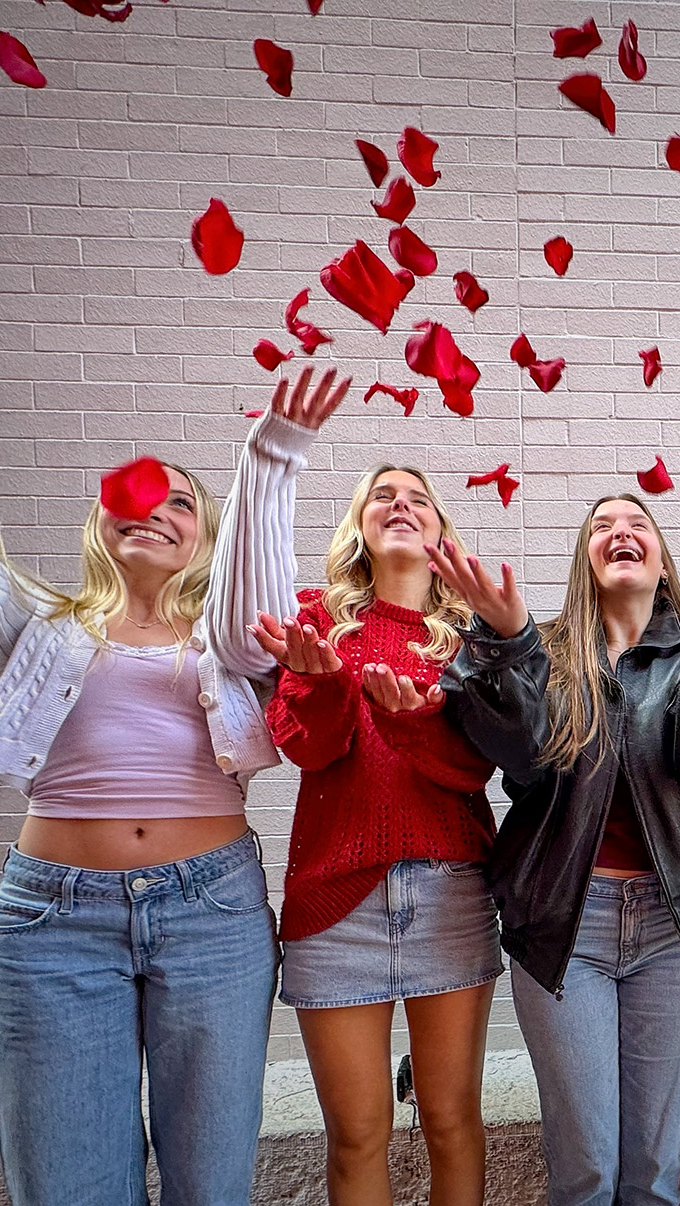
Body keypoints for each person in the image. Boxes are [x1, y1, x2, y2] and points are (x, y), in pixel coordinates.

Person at [0, 147, 299, 1205]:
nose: (157, 509)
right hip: (51, 923)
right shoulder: (41, 627)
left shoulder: (227, 643)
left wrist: (270, 463)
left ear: (205, 540)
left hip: (213, 916)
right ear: (101, 521)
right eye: (139, 496)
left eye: (183, 503)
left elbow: (267, 604)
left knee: (213, 1189)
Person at [429, 494, 680, 1206]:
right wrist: (508, 642)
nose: (621, 533)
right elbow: (522, 756)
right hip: (565, 927)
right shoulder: (538, 649)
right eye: (602, 526)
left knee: (653, 1171)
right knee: (586, 1169)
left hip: (670, 928)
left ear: (662, 559)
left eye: (638, 524)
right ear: (586, 559)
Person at [233, 421, 502, 1205]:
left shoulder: (474, 639)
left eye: (418, 498)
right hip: (334, 902)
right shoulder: (315, 616)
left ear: (442, 532)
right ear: (359, 526)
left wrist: (411, 721)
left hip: (450, 891)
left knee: (452, 1118)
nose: (400, 503)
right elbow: (306, 750)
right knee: (358, 1132)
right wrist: (319, 687)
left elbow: (475, 767)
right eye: (382, 495)